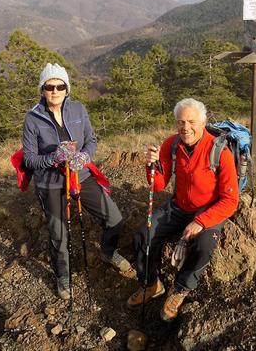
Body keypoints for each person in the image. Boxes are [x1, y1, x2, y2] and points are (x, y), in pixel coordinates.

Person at [23, 63, 132, 300]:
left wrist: (85, 156)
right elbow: (30, 159)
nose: (54, 91)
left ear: (66, 89)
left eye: (59, 86)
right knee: (58, 233)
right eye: (49, 86)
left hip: (80, 176)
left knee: (114, 218)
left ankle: (108, 251)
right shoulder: (32, 119)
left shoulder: (79, 109)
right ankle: (63, 276)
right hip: (51, 182)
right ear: (42, 89)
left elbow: (91, 140)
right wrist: (53, 158)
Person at [127, 98, 239, 321]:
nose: (185, 127)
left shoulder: (220, 152)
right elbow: (157, 185)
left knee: (204, 245)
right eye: (180, 122)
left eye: (191, 121)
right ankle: (150, 284)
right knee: (143, 235)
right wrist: (151, 165)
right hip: (178, 206)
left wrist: (201, 221)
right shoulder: (172, 144)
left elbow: (230, 200)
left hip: (209, 208)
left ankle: (179, 289)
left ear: (203, 121)